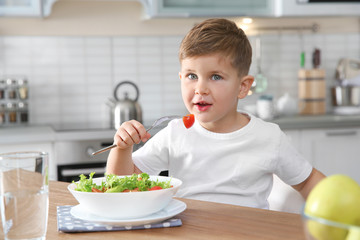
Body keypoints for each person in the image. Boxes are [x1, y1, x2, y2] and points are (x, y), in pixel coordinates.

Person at [106, 18, 325, 209]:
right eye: (192, 76)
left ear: (243, 86)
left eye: (216, 77)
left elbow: (307, 181)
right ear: (181, 79)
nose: (200, 88)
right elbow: (121, 185)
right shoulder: (175, 133)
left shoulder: (269, 137)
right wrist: (123, 149)